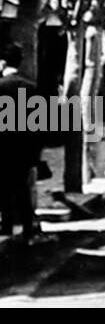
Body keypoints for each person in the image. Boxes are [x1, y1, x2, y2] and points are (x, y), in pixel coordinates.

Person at [0, 44, 44, 243]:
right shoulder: (31, 88)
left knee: (4, 187)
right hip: (24, 149)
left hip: (3, 147)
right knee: (22, 189)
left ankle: (6, 225)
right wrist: (36, 153)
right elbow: (39, 126)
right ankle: (27, 227)